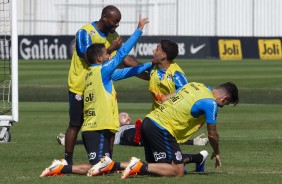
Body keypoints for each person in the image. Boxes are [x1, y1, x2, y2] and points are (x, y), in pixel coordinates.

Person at [40, 16, 149, 177]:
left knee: (102, 161)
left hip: (103, 123)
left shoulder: (99, 72)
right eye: (106, 54)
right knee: (92, 157)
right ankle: (65, 165)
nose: (109, 55)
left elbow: (127, 70)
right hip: (93, 122)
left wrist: (149, 65)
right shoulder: (100, 63)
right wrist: (139, 29)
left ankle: (111, 162)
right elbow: (121, 54)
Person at [86, 81, 239, 178]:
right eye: (223, 105)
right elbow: (212, 134)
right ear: (224, 99)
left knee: (159, 169)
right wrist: (217, 152)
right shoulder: (211, 103)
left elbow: (167, 98)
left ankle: (113, 164)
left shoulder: (195, 85)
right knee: (178, 171)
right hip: (162, 128)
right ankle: (137, 165)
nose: (221, 106)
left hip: (149, 121)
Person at [64, 5, 145, 165]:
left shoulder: (113, 35)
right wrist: (111, 48)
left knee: (110, 123)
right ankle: (67, 161)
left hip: (101, 88)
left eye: (119, 22)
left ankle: (108, 159)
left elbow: (123, 59)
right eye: (115, 21)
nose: (117, 25)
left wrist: (145, 71)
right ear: (104, 17)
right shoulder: (85, 32)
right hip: (80, 86)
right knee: (75, 124)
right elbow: (88, 57)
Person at [57, 112, 208, 146]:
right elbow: (90, 141)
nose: (127, 118)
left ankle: (194, 142)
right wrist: (68, 141)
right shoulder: (115, 130)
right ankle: (139, 135)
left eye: (128, 117)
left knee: (164, 136)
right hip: (128, 135)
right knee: (133, 134)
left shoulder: (127, 125)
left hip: (138, 131)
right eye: (124, 116)